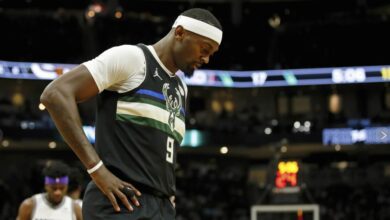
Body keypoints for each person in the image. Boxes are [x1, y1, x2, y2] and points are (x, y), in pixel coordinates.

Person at [40, 8, 222, 220]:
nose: (207, 59)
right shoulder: (133, 59)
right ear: (180, 33)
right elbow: (56, 94)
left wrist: (167, 197)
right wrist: (96, 170)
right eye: (205, 48)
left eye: (211, 53)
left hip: (161, 208)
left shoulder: (181, 87)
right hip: (119, 203)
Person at [16, 160, 82, 220]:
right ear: (46, 185)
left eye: (62, 188)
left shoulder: (75, 209)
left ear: (67, 186)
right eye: (54, 188)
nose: (57, 192)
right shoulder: (30, 205)